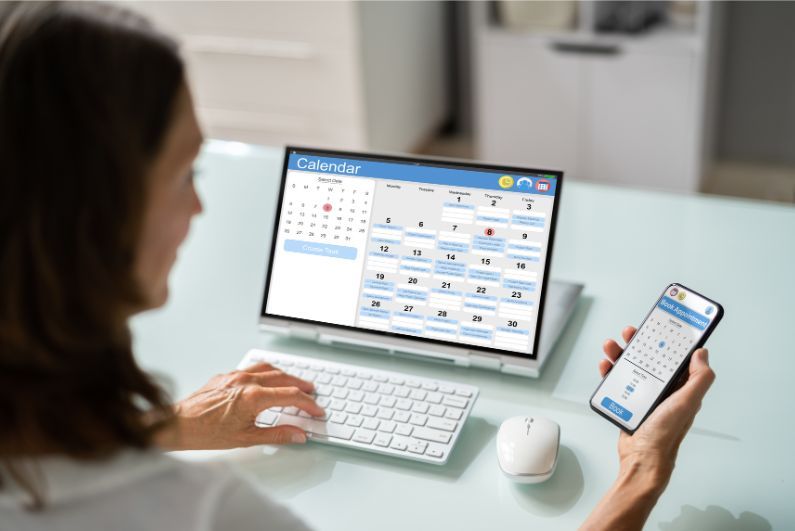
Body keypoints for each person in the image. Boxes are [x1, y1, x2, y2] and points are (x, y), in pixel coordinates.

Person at [0, 3, 715, 530]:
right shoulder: (208, 515)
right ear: (98, 214)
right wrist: (642, 470)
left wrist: (168, 425)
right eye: (186, 171)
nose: (198, 209)